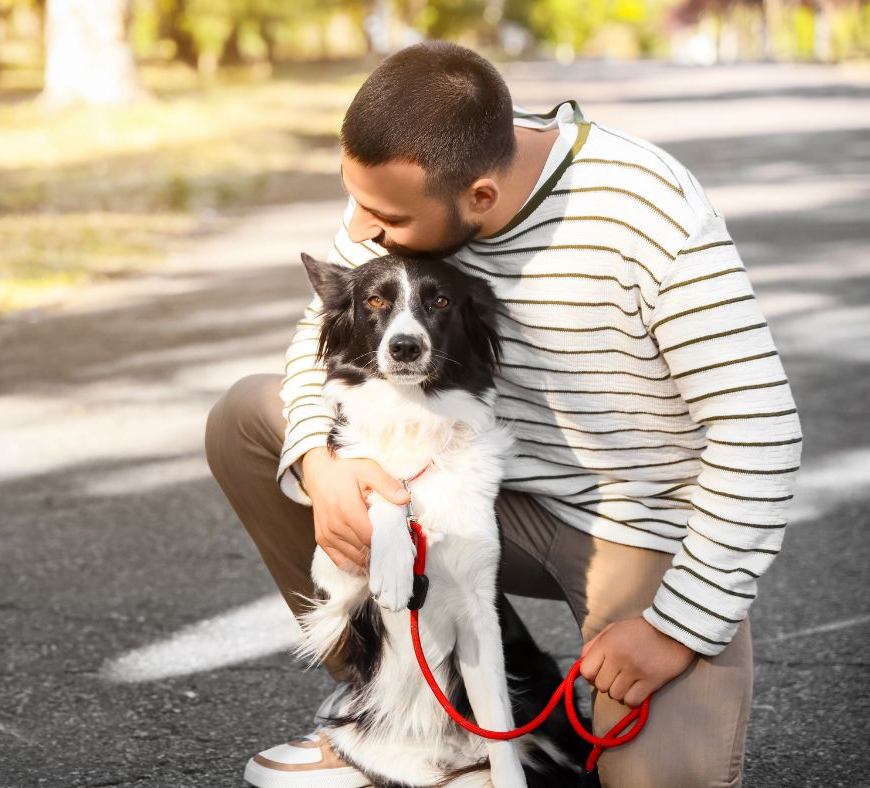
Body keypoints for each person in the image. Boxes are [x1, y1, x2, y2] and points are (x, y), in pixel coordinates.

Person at [205, 41, 802, 788]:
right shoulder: (411, 173)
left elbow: (761, 432)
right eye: (354, 198)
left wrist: (674, 632)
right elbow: (315, 334)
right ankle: (396, 714)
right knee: (249, 417)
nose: (358, 229)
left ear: (480, 197)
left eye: (383, 214)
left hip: (638, 530)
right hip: (465, 486)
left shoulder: (647, 214)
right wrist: (324, 469)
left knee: (662, 782)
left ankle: (517, 722)